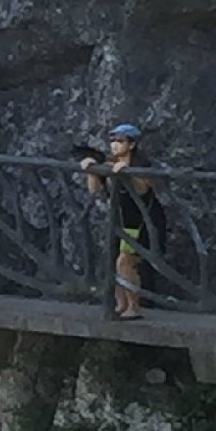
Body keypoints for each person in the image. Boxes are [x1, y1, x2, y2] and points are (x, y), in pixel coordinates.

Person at [87, 123, 162, 317]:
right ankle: (121, 304)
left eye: (120, 141)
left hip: (142, 222)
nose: (114, 145)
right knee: (114, 261)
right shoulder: (111, 163)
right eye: (112, 141)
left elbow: (143, 189)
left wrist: (127, 172)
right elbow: (94, 189)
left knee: (125, 263)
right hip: (121, 222)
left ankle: (133, 307)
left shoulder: (141, 165)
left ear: (131, 144)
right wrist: (93, 170)